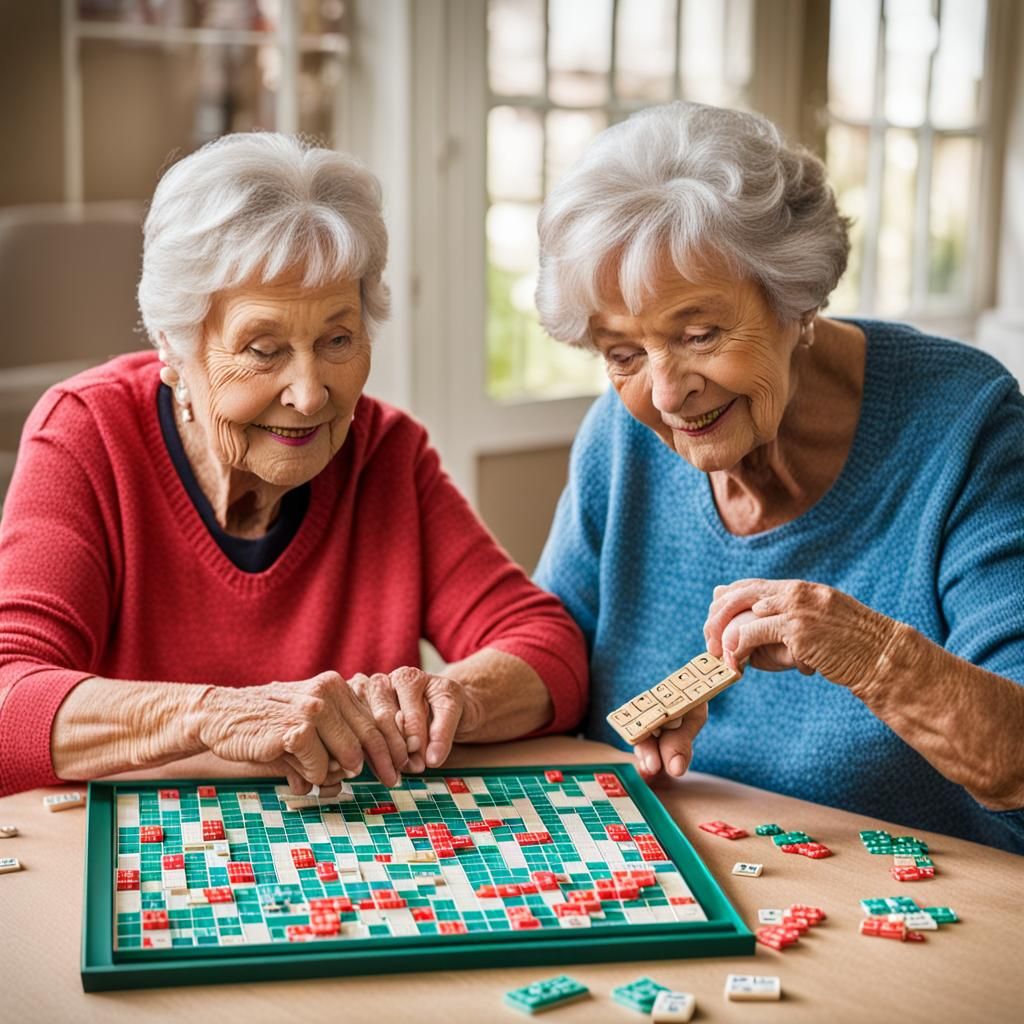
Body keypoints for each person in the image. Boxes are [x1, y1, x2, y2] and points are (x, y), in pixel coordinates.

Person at [0, 133, 587, 799]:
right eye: (263, 348)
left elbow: (550, 650)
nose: (310, 394)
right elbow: (8, 701)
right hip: (139, 864)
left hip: (350, 865)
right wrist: (212, 716)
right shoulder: (88, 435)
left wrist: (448, 697)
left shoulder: (386, 453)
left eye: (338, 340)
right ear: (172, 346)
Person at [533, 102, 1024, 852]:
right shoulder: (619, 438)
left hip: (918, 914)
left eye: (699, 335)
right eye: (623, 353)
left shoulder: (964, 424)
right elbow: (548, 658)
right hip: (687, 887)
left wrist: (867, 652)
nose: (665, 394)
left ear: (796, 299)